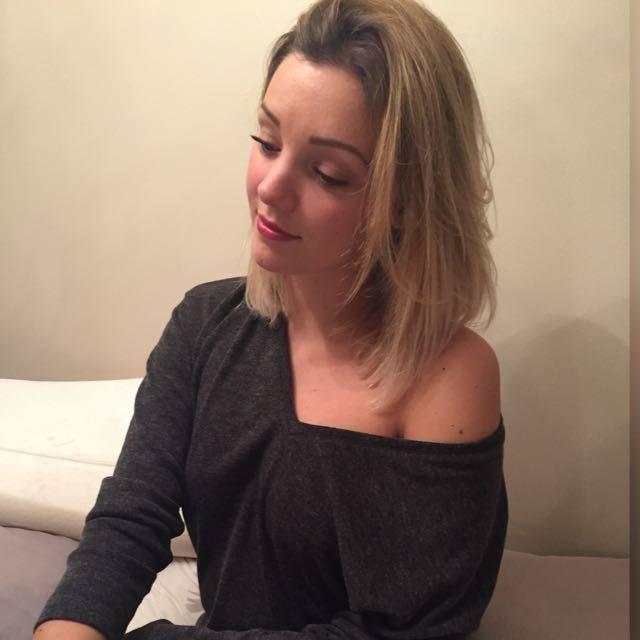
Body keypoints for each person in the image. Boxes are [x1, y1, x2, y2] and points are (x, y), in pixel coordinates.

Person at [33, 0, 507, 638]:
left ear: (405, 201)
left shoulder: (448, 376)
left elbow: (400, 629)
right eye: (267, 141)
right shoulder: (206, 324)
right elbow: (129, 518)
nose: (270, 187)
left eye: (328, 173)